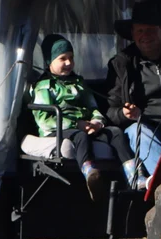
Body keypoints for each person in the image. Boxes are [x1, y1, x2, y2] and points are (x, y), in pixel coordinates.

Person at [31, 34, 143, 199]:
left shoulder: (78, 83)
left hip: (86, 125)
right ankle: (90, 173)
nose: (69, 63)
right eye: (63, 59)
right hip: (61, 128)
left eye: (71, 58)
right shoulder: (44, 86)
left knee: (116, 133)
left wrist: (97, 122)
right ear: (49, 62)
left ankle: (134, 176)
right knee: (81, 137)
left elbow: (92, 106)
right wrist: (78, 124)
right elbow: (44, 120)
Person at [105, 1, 161, 176]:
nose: (145, 36)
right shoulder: (121, 64)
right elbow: (109, 110)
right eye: (140, 31)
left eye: (151, 30)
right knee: (137, 131)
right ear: (132, 33)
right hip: (143, 125)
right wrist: (124, 114)